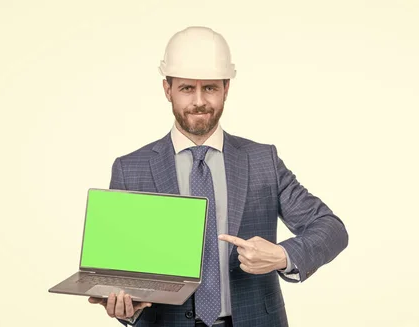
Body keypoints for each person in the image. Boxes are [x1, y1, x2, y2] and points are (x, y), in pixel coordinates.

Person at [87, 26, 349, 327]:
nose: (199, 101)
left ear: (226, 88)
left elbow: (331, 228)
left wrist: (282, 255)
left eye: (210, 87)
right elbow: (122, 274)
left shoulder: (262, 160)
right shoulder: (130, 168)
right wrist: (126, 307)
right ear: (167, 89)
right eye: (187, 88)